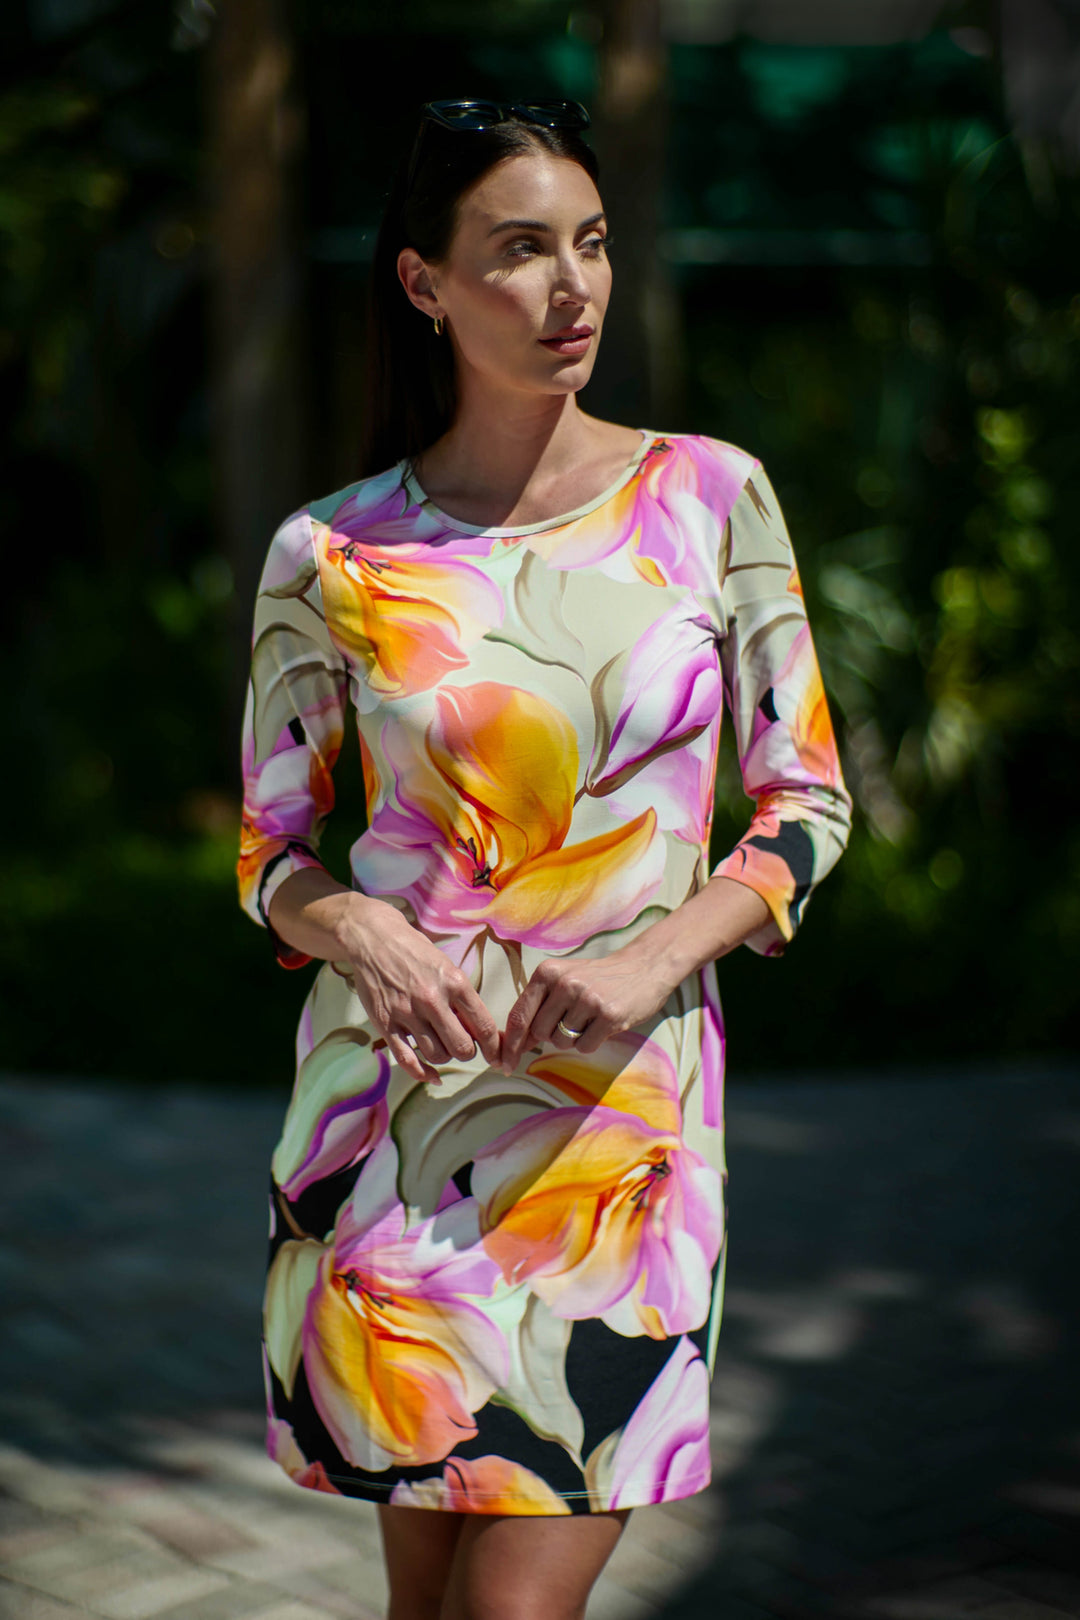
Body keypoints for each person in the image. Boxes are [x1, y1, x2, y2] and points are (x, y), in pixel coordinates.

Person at [237, 96, 852, 1620]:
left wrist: (658, 955)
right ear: (424, 284)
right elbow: (269, 852)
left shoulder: (711, 499)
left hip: (623, 1147)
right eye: (520, 250)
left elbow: (805, 805)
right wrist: (360, 930)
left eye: (591, 242)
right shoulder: (333, 555)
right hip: (398, 1139)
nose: (573, 286)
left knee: (513, 1609)